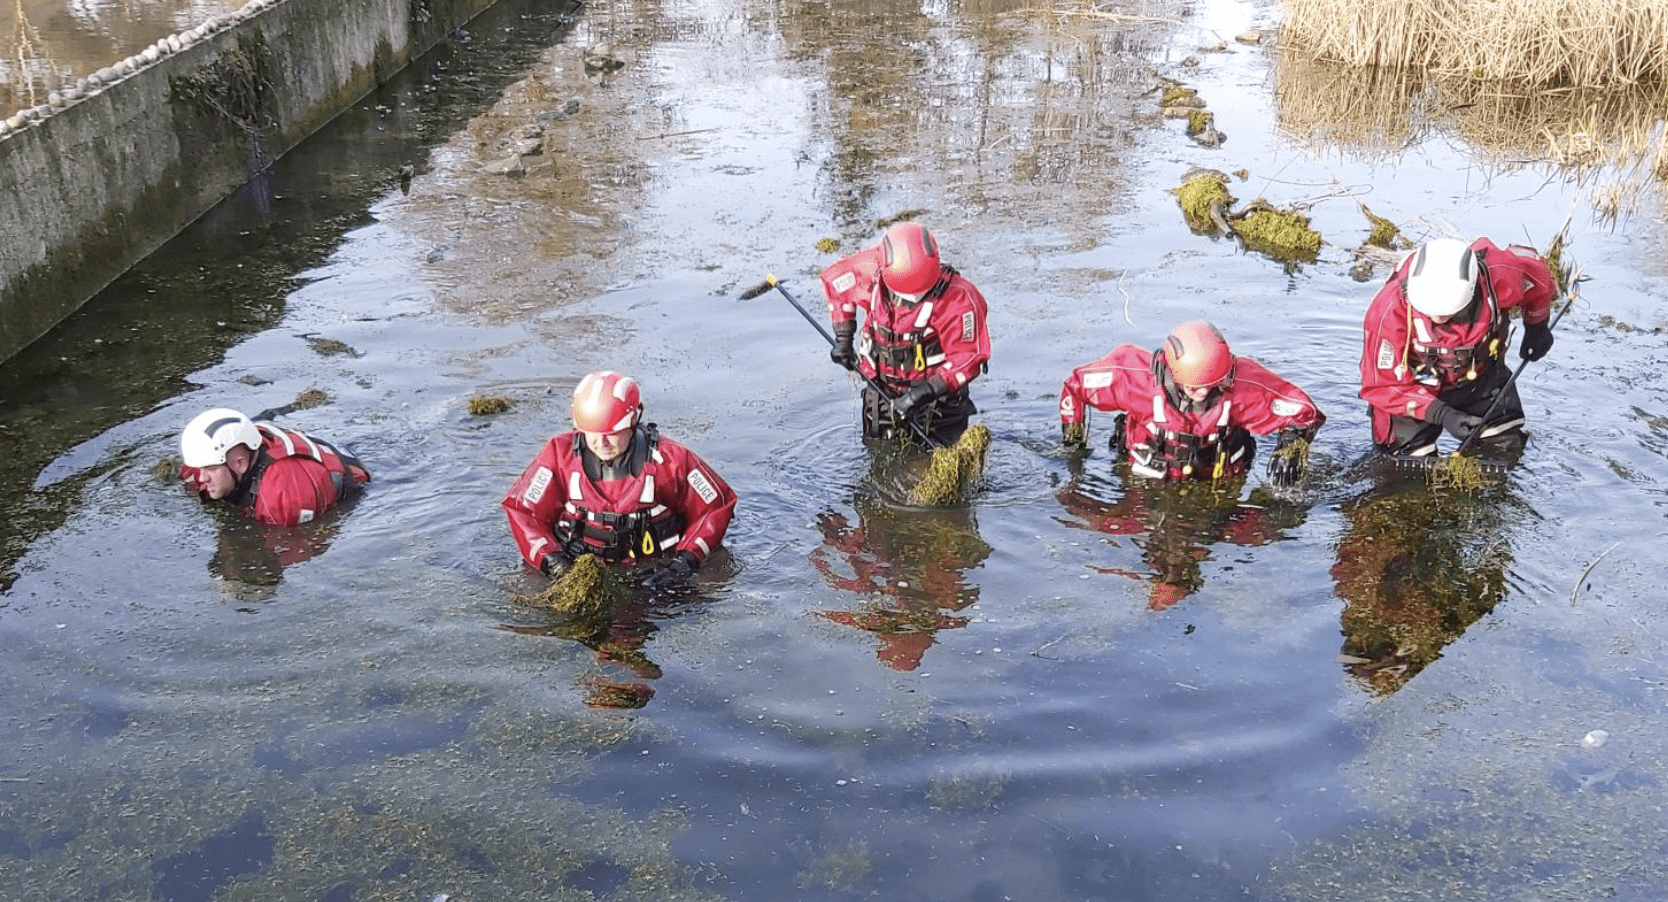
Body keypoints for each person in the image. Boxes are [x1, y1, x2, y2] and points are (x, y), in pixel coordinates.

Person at [502, 370, 737, 585]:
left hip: (656, 569)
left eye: (611, 434)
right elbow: (524, 512)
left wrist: (684, 562)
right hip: (577, 568)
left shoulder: (671, 460)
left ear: (633, 422)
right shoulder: (557, 456)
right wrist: (551, 561)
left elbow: (715, 508)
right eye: (591, 434)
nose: (600, 443)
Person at [1058, 320, 1325, 485]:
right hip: (1144, 478)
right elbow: (1075, 387)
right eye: (1196, 387)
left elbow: (1305, 413)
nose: (1204, 392)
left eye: (1214, 385)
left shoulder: (1245, 389)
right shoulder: (1132, 379)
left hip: (1220, 481)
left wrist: (1292, 444)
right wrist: (1074, 444)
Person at [1360, 236, 1556, 457]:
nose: (1438, 317)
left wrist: (1537, 327)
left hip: (1479, 377)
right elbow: (1380, 385)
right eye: (1431, 312)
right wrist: (1442, 414)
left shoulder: (1500, 273)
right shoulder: (1388, 311)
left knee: (1503, 448)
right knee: (1403, 465)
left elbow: (1538, 279)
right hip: (1411, 392)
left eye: (1447, 312)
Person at [821, 221, 992, 447]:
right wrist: (843, 339)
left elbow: (969, 357)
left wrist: (925, 392)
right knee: (879, 450)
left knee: (937, 459)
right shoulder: (867, 270)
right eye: (903, 295)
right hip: (881, 387)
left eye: (920, 294)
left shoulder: (958, 300)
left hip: (939, 397)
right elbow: (836, 284)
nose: (911, 301)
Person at [179, 407, 371, 527]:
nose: (202, 477)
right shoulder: (210, 459)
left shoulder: (282, 498)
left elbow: (295, 543)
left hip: (351, 480)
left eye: (210, 470)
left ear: (240, 464)